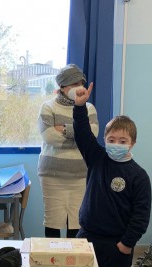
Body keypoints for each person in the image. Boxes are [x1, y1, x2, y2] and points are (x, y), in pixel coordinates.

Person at [71, 83, 151, 267]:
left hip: (117, 244)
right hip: (86, 236)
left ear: (132, 143)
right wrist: (80, 107)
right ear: (105, 140)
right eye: (111, 140)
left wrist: (126, 243)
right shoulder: (97, 159)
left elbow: (141, 215)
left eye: (122, 141)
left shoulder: (138, 175)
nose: (116, 144)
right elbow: (82, 134)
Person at [37, 64, 98, 240]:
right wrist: (78, 134)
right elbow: (49, 137)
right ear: (62, 87)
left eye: (81, 82)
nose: (79, 87)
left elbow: (91, 136)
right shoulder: (48, 107)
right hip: (52, 174)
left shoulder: (89, 108)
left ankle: (72, 263)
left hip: (80, 175)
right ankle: (52, 261)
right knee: (52, 222)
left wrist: (63, 129)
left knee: (77, 223)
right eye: (73, 83)